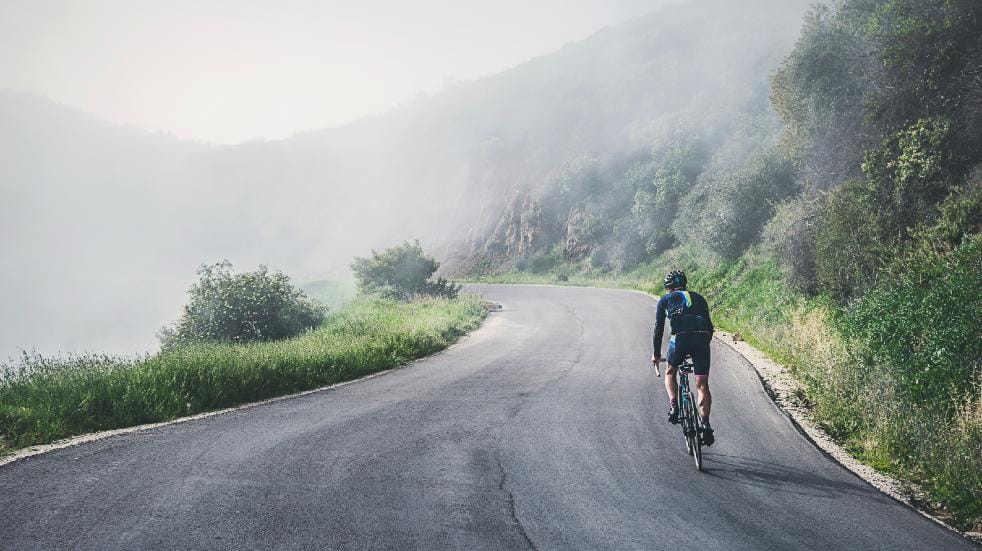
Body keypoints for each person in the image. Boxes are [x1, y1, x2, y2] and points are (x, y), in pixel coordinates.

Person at [651, 270, 716, 446]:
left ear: (668, 287)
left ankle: (674, 406)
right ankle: (706, 424)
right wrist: (701, 346)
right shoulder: (700, 298)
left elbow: (659, 329)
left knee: (670, 372)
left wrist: (656, 354)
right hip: (702, 338)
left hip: (680, 338)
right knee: (702, 384)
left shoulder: (665, 300)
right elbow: (710, 327)